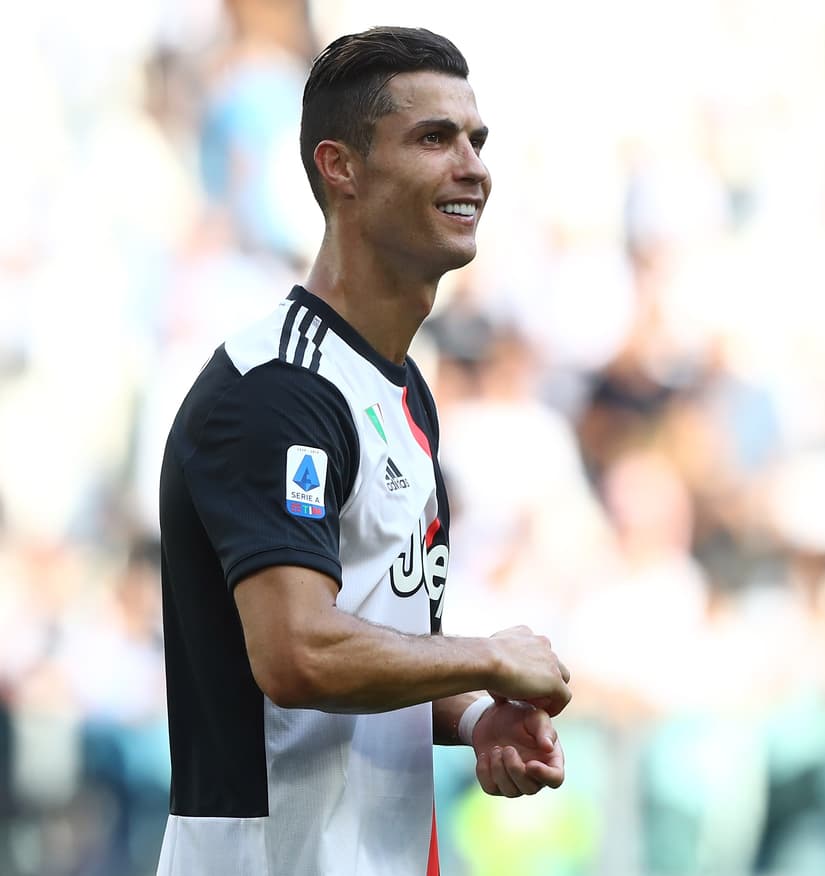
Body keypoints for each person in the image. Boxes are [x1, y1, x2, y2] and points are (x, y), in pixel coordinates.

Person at [154, 26, 572, 876]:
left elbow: (375, 643)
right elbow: (298, 651)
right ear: (339, 167)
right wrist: (489, 656)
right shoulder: (276, 388)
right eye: (433, 138)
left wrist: (467, 716)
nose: (474, 167)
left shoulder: (398, 389)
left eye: (476, 141)